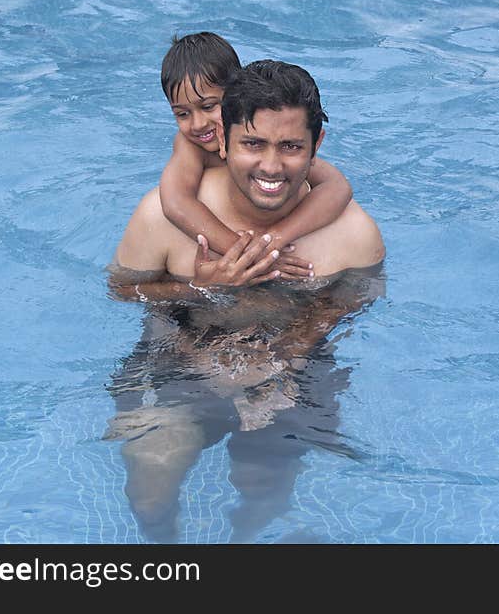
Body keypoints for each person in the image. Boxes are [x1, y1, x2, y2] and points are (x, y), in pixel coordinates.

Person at [106, 60, 385, 542]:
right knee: (150, 484)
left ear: (316, 146)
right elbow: (122, 290)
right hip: (177, 360)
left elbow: (356, 298)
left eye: (291, 147)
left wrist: (283, 354)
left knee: (265, 488)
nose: (271, 167)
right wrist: (203, 288)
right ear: (224, 140)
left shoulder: (353, 234)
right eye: (253, 144)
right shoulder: (163, 217)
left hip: (292, 366)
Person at [157, 32, 353, 278]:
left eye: (208, 107)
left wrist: (275, 239)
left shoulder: (271, 146)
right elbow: (176, 202)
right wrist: (246, 255)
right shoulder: (190, 146)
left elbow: (338, 187)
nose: (197, 124)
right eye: (182, 114)